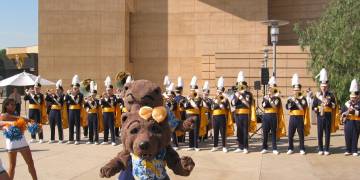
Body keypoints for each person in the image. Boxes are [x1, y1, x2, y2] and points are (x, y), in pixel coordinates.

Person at [0, 98, 38, 180]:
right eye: (12, 104)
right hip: (12, 143)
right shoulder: (3, 115)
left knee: (30, 163)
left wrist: (30, 126)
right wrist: (29, 120)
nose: (14, 106)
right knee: (12, 166)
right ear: (6, 106)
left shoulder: (15, 113)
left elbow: (20, 122)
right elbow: (19, 119)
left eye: (15, 104)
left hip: (22, 141)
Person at [312, 68, 340, 155]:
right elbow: (313, 106)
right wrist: (316, 109)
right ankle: (320, 149)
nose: (324, 88)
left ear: (327, 87)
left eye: (325, 86)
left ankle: (327, 149)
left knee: (327, 133)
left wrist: (328, 103)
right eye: (322, 86)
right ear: (320, 87)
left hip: (328, 115)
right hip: (320, 116)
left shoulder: (331, 95)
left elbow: (335, 106)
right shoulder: (317, 95)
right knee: (320, 133)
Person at [286, 74, 311, 155]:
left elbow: (304, 106)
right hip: (292, 117)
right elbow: (287, 107)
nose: (296, 91)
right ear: (293, 90)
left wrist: (297, 101)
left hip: (300, 117)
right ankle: (290, 148)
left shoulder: (302, 98)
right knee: (290, 134)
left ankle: (302, 148)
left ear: (300, 90)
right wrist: (292, 101)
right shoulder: (290, 98)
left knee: (301, 134)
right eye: (295, 90)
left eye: (298, 90)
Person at [260, 76, 286, 155]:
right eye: (269, 88)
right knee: (265, 133)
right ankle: (264, 147)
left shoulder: (277, 98)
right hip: (266, 116)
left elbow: (275, 106)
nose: (270, 90)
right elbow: (263, 106)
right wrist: (266, 98)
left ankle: (274, 148)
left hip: (273, 116)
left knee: (274, 133)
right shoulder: (265, 97)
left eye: (272, 88)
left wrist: (270, 99)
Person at [232, 71, 256, 154]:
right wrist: (237, 96)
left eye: (242, 85)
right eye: (239, 85)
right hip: (237, 114)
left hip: (245, 114)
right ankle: (240, 146)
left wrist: (242, 98)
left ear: (245, 86)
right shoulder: (236, 94)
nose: (241, 87)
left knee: (245, 130)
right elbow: (233, 104)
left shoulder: (248, 94)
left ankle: (245, 147)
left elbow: (248, 105)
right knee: (239, 130)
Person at [24, 76, 46, 144]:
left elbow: (39, 102)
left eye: (37, 88)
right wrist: (27, 93)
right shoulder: (31, 94)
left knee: (38, 124)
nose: (36, 89)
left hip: (37, 110)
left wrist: (33, 95)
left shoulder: (40, 95)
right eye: (35, 88)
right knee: (32, 124)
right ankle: (33, 137)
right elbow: (25, 98)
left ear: (39, 89)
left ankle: (41, 138)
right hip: (31, 111)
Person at [341, 79, 360, 156]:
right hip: (348, 122)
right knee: (347, 136)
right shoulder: (346, 103)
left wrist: (353, 111)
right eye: (352, 97)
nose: (353, 99)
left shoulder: (359, 104)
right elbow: (342, 111)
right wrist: (344, 114)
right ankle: (348, 150)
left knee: (355, 136)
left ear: (357, 97)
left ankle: (354, 150)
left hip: (356, 122)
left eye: (354, 97)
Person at [210, 77, 229, 153]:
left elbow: (224, 107)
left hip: (222, 116)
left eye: (220, 91)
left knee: (223, 132)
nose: (219, 92)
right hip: (215, 117)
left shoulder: (225, 98)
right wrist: (216, 102)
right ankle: (215, 146)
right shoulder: (214, 98)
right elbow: (212, 107)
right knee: (216, 132)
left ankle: (224, 146)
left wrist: (219, 102)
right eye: (218, 91)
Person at [184, 76, 202, 151]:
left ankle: (196, 146)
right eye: (191, 90)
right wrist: (188, 100)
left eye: (193, 90)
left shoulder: (198, 98)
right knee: (190, 130)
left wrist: (191, 100)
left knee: (195, 131)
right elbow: (185, 106)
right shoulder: (188, 98)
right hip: (188, 115)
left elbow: (196, 107)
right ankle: (190, 146)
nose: (192, 92)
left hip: (195, 115)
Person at [64, 75, 84, 145]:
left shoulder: (80, 95)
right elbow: (65, 100)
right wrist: (67, 94)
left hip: (77, 111)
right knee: (71, 124)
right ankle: (71, 138)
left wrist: (73, 96)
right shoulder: (69, 94)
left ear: (78, 88)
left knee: (77, 125)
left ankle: (77, 139)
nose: (75, 89)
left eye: (76, 88)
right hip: (70, 110)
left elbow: (78, 102)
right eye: (74, 87)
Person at [100, 76, 118, 146]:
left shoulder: (114, 97)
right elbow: (101, 105)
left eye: (109, 90)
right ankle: (105, 140)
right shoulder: (104, 97)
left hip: (111, 113)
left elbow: (112, 105)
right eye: (107, 90)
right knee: (105, 127)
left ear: (112, 90)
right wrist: (102, 99)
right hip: (105, 113)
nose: (108, 91)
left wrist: (107, 99)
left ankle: (113, 140)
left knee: (111, 127)